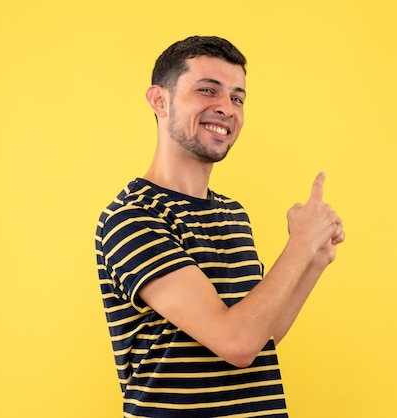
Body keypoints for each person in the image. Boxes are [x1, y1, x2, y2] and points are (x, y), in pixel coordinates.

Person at [95, 35, 345, 417]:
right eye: (207, 90)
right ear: (159, 100)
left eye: (237, 98)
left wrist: (314, 259)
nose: (226, 108)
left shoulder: (233, 214)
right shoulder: (132, 216)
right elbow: (237, 342)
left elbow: (262, 334)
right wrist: (299, 244)